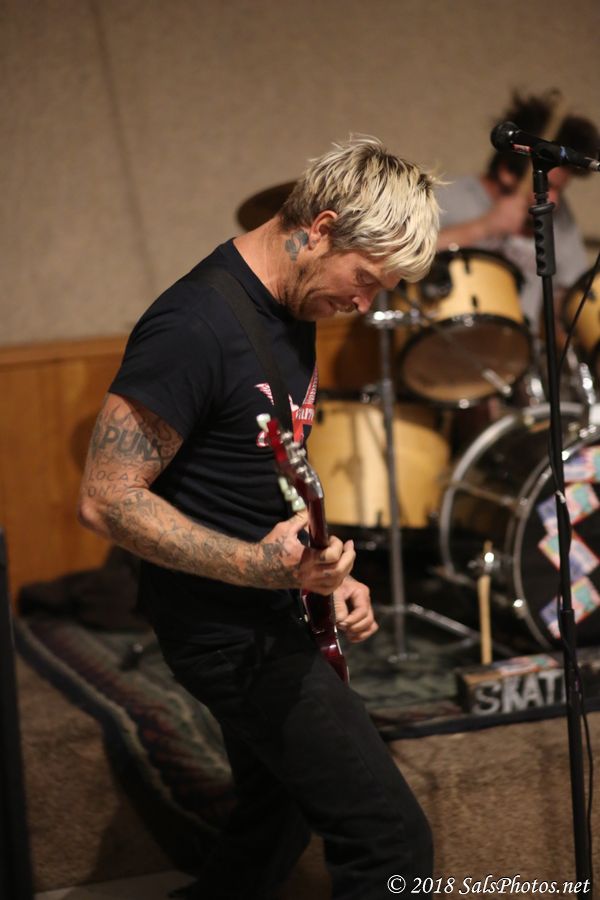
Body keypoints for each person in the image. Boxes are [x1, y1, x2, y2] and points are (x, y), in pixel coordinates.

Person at [78, 136, 440, 900]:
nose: (364, 304)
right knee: (391, 840)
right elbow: (105, 498)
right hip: (224, 628)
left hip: (274, 604)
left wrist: (324, 568)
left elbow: (262, 469)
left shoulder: (291, 304)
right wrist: (258, 566)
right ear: (322, 229)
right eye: (366, 280)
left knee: (274, 819)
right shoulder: (195, 324)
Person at [436, 90, 599, 329]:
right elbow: (397, 259)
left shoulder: (559, 218)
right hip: (443, 342)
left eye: (560, 190)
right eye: (549, 186)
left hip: (522, 348)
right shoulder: (448, 196)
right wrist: (483, 227)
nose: (555, 199)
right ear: (507, 172)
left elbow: (568, 302)